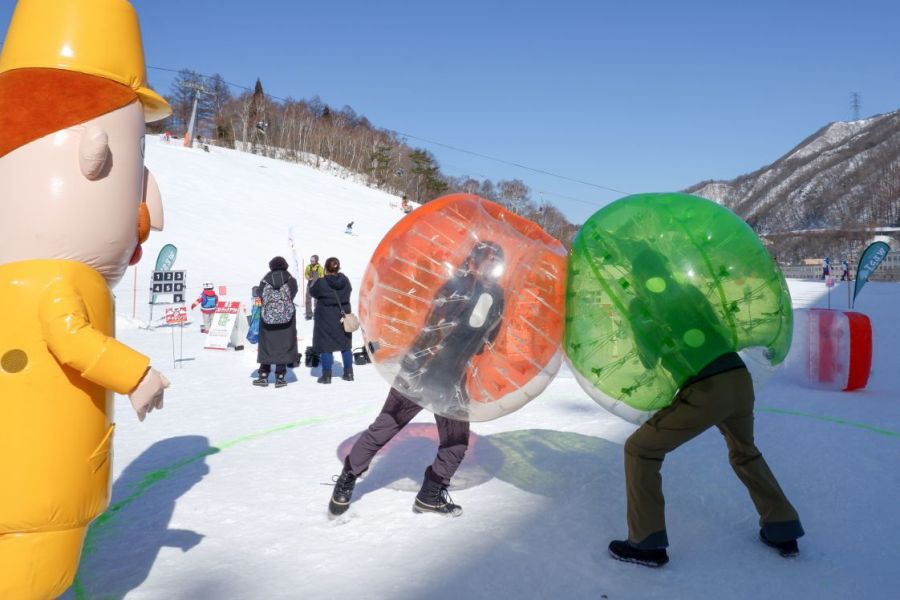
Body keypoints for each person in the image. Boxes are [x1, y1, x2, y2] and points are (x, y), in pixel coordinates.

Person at [607, 248, 804, 567]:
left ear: (639, 278)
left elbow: (648, 357)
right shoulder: (689, 291)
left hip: (706, 387)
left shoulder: (642, 305)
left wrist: (638, 323)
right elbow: (720, 330)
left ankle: (647, 543)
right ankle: (782, 527)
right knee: (745, 451)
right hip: (738, 378)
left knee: (640, 449)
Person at [328, 241, 506, 518]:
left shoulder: (454, 283)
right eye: (488, 261)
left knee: (385, 425)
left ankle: (347, 480)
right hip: (447, 377)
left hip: (417, 365)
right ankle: (430, 494)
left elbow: (434, 323)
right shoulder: (492, 295)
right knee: (455, 442)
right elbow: (484, 341)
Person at [253, 256, 299, 388]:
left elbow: (260, 294)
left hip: (268, 319)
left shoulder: (265, 280)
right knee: (283, 345)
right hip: (287, 320)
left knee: (266, 346)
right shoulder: (290, 279)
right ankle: (280, 376)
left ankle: (263, 375)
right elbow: (292, 294)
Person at [309, 257, 353, 384]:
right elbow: (349, 291)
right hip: (342, 316)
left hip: (326, 317)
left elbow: (312, 292)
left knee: (326, 346)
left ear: (326, 268)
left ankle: (327, 376)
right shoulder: (345, 280)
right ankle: (349, 373)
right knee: (345, 345)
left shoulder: (322, 282)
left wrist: (315, 280)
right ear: (338, 267)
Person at [304, 254, 325, 320]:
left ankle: (316, 314)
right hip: (309, 285)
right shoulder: (308, 267)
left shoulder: (320, 268)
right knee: (308, 300)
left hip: (317, 286)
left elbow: (322, 276)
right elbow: (306, 274)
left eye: (313, 260)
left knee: (317, 301)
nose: (311, 261)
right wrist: (308, 277)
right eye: (311, 260)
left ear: (316, 260)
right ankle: (309, 314)